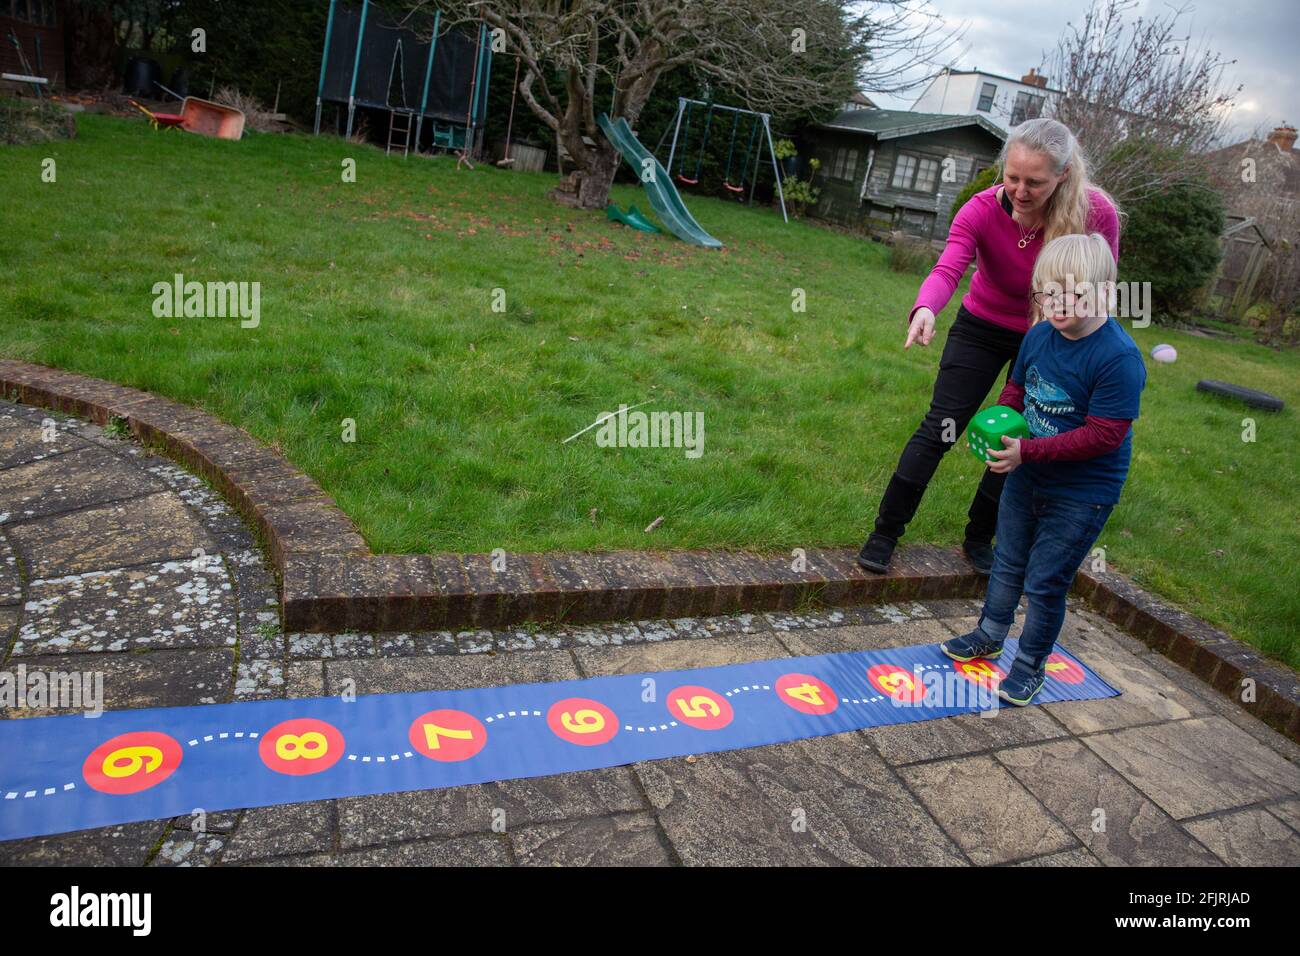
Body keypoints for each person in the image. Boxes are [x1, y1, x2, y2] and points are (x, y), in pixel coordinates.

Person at [858, 118, 1120, 575]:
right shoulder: (980, 211)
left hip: (1048, 335)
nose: (1019, 190)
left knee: (1018, 434)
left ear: (1062, 175)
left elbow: (1099, 286)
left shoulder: (1094, 213)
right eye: (1012, 177)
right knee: (942, 424)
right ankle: (885, 533)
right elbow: (948, 269)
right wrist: (926, 309)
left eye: (1034, 182)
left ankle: (979, 537)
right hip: (981, 325)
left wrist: (1091, 353)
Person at [940, 232, 1146, 705]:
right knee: (1008, 561)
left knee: (1045, 581)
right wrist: (1000, 420)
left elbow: (1103, 435)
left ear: (1106, 295)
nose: (1058, 303)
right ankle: (989, 635)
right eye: (1048, 292)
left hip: (1081, 493)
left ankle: (1031, 664)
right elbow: (1018, 388)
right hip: (1026, 473)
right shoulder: (1037, 335)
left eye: (1074, 293)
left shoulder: (1118, 359)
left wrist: (1026, 453)